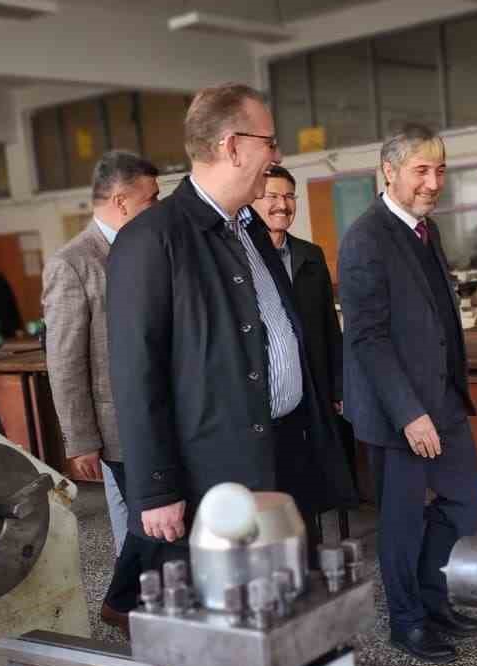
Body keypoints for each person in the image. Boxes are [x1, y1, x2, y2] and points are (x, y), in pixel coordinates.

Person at [107, 83, 353, 555]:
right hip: (217, 473)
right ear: (233, 146)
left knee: (293, 580)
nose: (277, 155)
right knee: (238, 590)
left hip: (286, 451)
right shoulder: (151, 240)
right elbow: (137, 376)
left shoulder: (250, 229)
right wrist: (156, 490)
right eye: (270, 142)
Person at [338, 124, 477, 664]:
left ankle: (433, 599)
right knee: (402, 522)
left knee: (465, 502)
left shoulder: (426, 231)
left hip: (442, 399)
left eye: (440, 170)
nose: (433, 182)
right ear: (389, 171)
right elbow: (368, 338)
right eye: (421, 170)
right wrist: (409, 413)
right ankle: (407, 621)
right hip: (398, 410)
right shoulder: (366, 239)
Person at [42, 150, 174, 630]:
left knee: (157, 512)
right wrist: (80, 440)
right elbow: (65, 361)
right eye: (151, 197)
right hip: (117, 422)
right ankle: (123, 602)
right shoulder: (73, 263)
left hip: (162, 411)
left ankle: (139, 600)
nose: (157, 205)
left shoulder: (150, 248)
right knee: (152, 515)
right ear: (121, 201)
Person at [254, 165, 354, 555]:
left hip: (310, 390)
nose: (282, 205)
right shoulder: (243, 261)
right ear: (252, 201)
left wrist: (339, 386)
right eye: (271, 196)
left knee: (309, 488)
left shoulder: (309, 256)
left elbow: (330, 328)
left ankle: (310, 561)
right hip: (268, 395)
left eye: (288, 196)